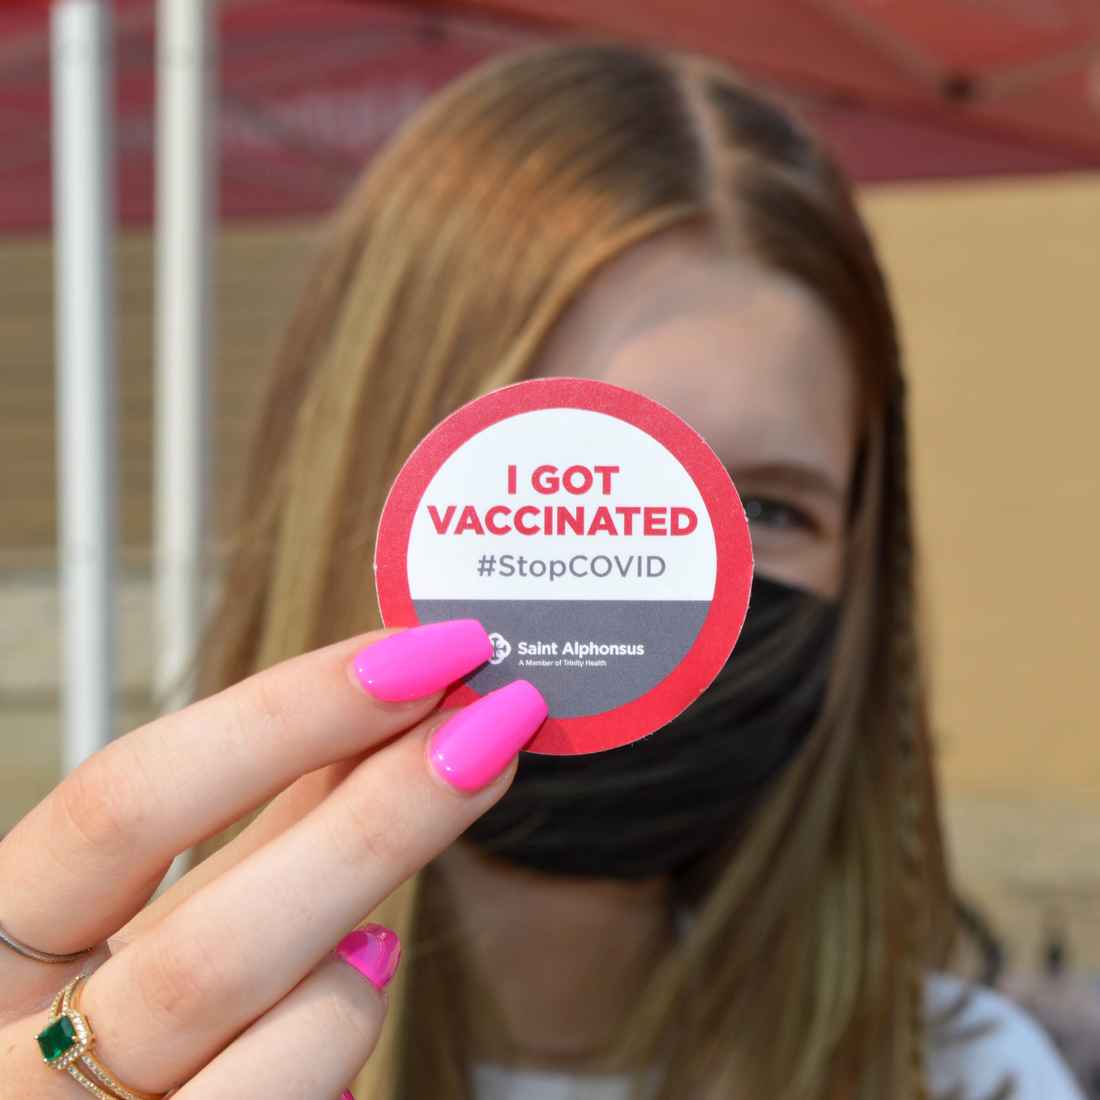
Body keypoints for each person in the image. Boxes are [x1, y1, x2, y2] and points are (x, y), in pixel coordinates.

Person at [0, 43, 1084, 1100]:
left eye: (763, 506)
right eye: (566, 480)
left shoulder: (965, 1075)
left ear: (864, 563)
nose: (668, 572)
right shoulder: (94, 1028)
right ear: (372, 489)